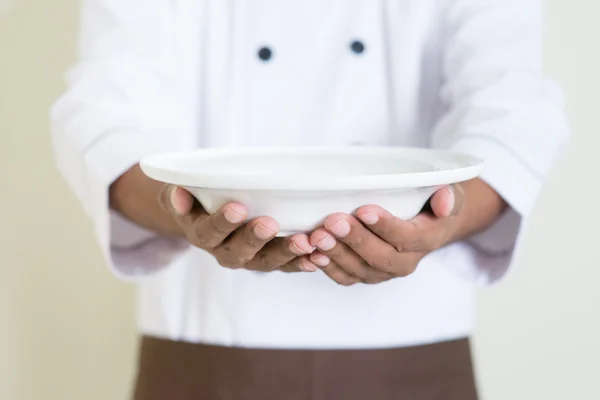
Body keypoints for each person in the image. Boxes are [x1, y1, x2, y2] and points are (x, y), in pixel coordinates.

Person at [50, 1, 569, 399]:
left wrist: (445, 219)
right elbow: (105, 113)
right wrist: (179, 204)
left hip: (415, 353)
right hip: (208, 351)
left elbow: (510, 110)